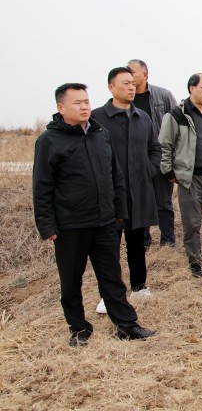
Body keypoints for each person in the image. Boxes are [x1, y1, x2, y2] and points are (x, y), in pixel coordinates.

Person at [33, 83, 157, 347]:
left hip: (104, 221)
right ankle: (79, 328)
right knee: (71, 281)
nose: (84, 107)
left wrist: (119, 212)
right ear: (61, 107)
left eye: (86, 101)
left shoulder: (100, 134)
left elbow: (116, 176)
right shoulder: (49, 141)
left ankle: (126, 325)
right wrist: (47, 225)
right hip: (70, 225)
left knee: (112, 277)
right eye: (77, 103)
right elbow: (42, 186)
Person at [92, 67, 160, 313]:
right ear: (111, 87)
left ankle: (139, 286)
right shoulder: (97, 118)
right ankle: (108, 295)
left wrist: (150, 169)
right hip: (109, 194)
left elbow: (155, 148)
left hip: (139, 190)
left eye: (133, 83)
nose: (131, 87)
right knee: (108, 246)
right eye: (125, 83)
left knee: (137, 242)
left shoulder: (143, 117)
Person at [158, 73, 202, 278]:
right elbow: (164, 145)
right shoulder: (176, 115)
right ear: (191, 88)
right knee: (192, 225)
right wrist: (169, 172)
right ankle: (195, 262)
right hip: (190, 179)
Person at [128, 59, 178, 246]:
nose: (129, 75)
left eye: (132, 71)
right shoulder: (126, 98)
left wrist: (174, 160)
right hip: (135, 159)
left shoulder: (163, 95)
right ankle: (143, 240)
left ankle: (168, 241)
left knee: (163, 202)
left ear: (145, 75)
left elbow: (177, 126)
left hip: (161, 156)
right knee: (138, 201)